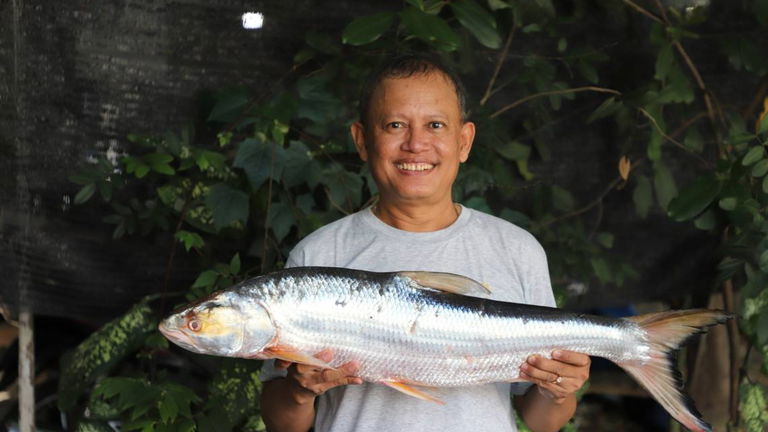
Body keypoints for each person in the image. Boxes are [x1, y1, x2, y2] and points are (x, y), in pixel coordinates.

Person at [259, 54, 591, 432]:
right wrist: (299, 392)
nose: (416, 144)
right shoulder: (319, 255)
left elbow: (542, 421)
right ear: (362, 140)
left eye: (435, 125)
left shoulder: (517, 250)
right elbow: (282, 422)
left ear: (463, 141)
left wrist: (558, 391)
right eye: (395, 125)